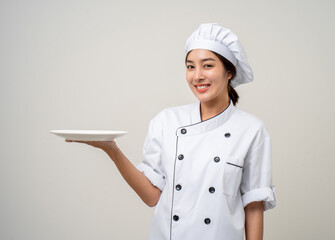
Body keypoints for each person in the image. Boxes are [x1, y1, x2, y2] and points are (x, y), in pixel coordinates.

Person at [66, 23, 276, 240]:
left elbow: (253, 207)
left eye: (207, 65)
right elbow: (151, 197)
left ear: (229, 71)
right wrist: (111, 150)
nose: (197, 76)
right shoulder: (166, 121)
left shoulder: (251, 130)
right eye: (190, 66)